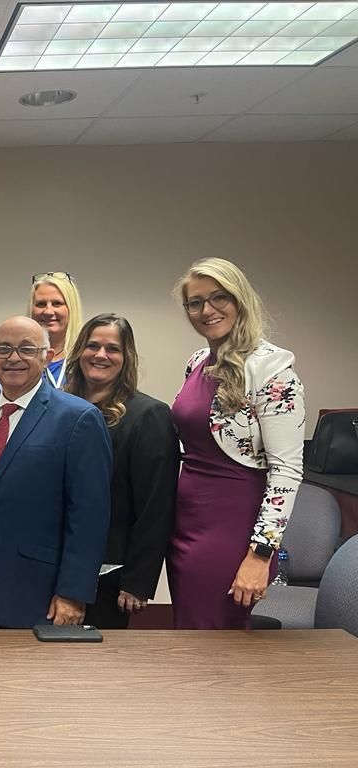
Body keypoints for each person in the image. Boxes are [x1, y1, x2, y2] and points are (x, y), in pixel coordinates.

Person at [169, 258, 305, 630]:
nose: (207, 310)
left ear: (240, 299)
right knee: (190, 634)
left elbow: (287, 471)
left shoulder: (273, 371)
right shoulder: (199, 361)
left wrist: (260, 554)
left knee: (216, 643)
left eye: (219, 297)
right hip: (187, 524)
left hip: (232, 531)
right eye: (195, 302)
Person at [0, 316, 111, 628]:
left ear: (47, 357)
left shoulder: (78, 418)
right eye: (3, 349)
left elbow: (89, 516)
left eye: (26, 349)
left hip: (41, 595)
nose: (13, 358)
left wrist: (73, 592)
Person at [64, 314, 179, 629]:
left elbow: (156, 505)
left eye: (112, 348)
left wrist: (138, 580)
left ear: (126, 357)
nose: (100, 355)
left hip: (110, 572)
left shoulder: (148, 415)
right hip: (57, 563)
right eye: (92, 346)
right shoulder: (61, 409)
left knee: (95, 655)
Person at [28, 271, 82, 389]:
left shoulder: (84, 358)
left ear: (71, 308)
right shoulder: (21, 358)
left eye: (57, 303)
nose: (48, 311)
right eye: (41, 304)